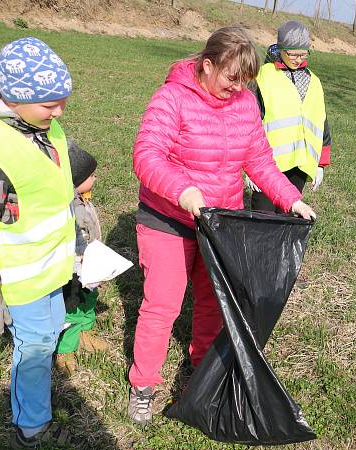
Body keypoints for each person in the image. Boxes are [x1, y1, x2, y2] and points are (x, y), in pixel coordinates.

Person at [129, 26, 316, 425]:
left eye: (244, 81)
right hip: (170, 218)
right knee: (163, 304)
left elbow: (260, 160)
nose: (237, 88)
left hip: (219, 223)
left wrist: (291, 199)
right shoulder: (172, 98)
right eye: (231, 78)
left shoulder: (246, 103)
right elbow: (146, 156)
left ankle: (203, 377)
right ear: (207, 64)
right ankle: (144, 384)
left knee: (214, 303)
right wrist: (184, 191)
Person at [0, 37, 77, 447]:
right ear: (13, 98)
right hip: (23, 278)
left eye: (62, 100)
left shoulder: (45, 125)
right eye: (50, 104)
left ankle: (37, 398)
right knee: (35, 343)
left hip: (54, 268)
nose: (59, 110)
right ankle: (32, 426)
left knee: (48, 334)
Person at [249, 20, 331, 212]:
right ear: (280, 49)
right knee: (264, 218)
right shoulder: (262, 76)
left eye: (303, 54)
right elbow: (250, 122)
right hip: (267, 165)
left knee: (289, 216)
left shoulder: (314, 81)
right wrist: (249, 167)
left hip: (300, 164)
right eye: (293, 54)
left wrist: (321, 164)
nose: (298, 59)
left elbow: (322, 123)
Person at [55, 143, 109, 373]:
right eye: (91, 176)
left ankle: (85, 332)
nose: (95, 179)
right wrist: (79, 261)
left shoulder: (83, 199)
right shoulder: (69, 207)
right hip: (75, 270)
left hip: (91, 266)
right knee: (72, 309)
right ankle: (65, 349)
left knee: (90, 300)